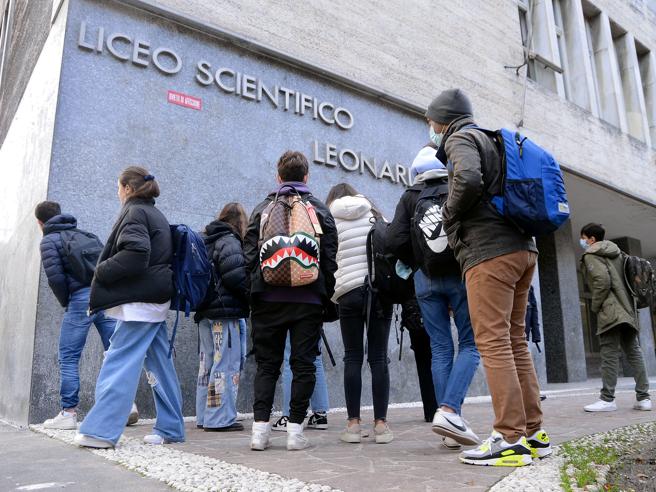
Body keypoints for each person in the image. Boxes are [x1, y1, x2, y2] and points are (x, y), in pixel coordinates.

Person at [427, 88, 551, 466]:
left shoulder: (461, 138)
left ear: (442, 120)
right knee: (514, 340)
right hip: (521, 249)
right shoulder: (492, 140)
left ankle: (509, 438)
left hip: (489, 254)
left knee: (493, 341)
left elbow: (466, 179)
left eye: (431, 121)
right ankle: (534, 434)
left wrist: (448, 215)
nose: (429, 128)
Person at [74, 166, 185, 448]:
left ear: (127, 188)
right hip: (153, 299)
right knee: (159, 363)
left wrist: (101, 270)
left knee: (119, 360)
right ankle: (171, 427)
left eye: (117, 187)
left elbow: (136, 254)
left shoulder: (135, 212)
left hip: (140, 302)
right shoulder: (154, 212)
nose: (117, 192)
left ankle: (100, 432)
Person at [387, 147, 480, 451]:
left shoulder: (410, 196)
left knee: (440, 349)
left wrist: (415, 262)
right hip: (460, 276)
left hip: (424, 279)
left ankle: (446, 430)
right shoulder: (456, 189)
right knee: (469, 344)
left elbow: (394, 240)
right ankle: (450, 411)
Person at [245, 151, 338, 451]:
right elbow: (330, 260)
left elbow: (248, 257)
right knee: (303, 365)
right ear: (307, 177)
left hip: (267, 299)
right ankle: (295, 432)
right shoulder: (320, 210)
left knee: (267, 365)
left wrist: (255, 289)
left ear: (279, 176)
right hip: (308, 300)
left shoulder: (262, 209)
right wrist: (323, 293)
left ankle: (259, 432)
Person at [34, 201, 135, 429]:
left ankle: (68, 413)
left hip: (81, 300)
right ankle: (126, 405)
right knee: (115, 351)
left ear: (40, 222)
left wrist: (68, 301)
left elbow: (56, 278)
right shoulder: (84, 234)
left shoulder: (49, 240)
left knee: (69, 356)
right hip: (104, 297)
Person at [326, 183, 394, 444]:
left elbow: (328, 257)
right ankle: (381, 426)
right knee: (378, 357)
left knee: (352, 356)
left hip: (348, 293)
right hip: (378, 292)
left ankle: (353, 425)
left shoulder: (330, 218)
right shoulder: (374, 214)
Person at [579, 223, 651, 412]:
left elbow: (602, 281)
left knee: (609, 353)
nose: (583, 242)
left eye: (584, 238)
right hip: (628, 309)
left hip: (611, 311)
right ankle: (644, 398)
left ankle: (607, 399)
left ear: (592, 239)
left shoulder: (592, 254)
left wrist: (595, 306)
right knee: (634, 352)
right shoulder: (619, 253)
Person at [194, 203, 250, 432]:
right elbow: (235, 276)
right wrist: (251, 295)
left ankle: (203, 416)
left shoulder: (205, 239)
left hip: (205, 313)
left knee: (207, 365)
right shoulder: (229, 240)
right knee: (224, 364)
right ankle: (218, 418)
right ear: (239, 222)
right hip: (224, 314)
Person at [272, 335, 330, 431]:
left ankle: (289, 416)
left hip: (292, 321)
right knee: (315, 359)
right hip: (314, 321)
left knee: (290, 358)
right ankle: (320, 415)